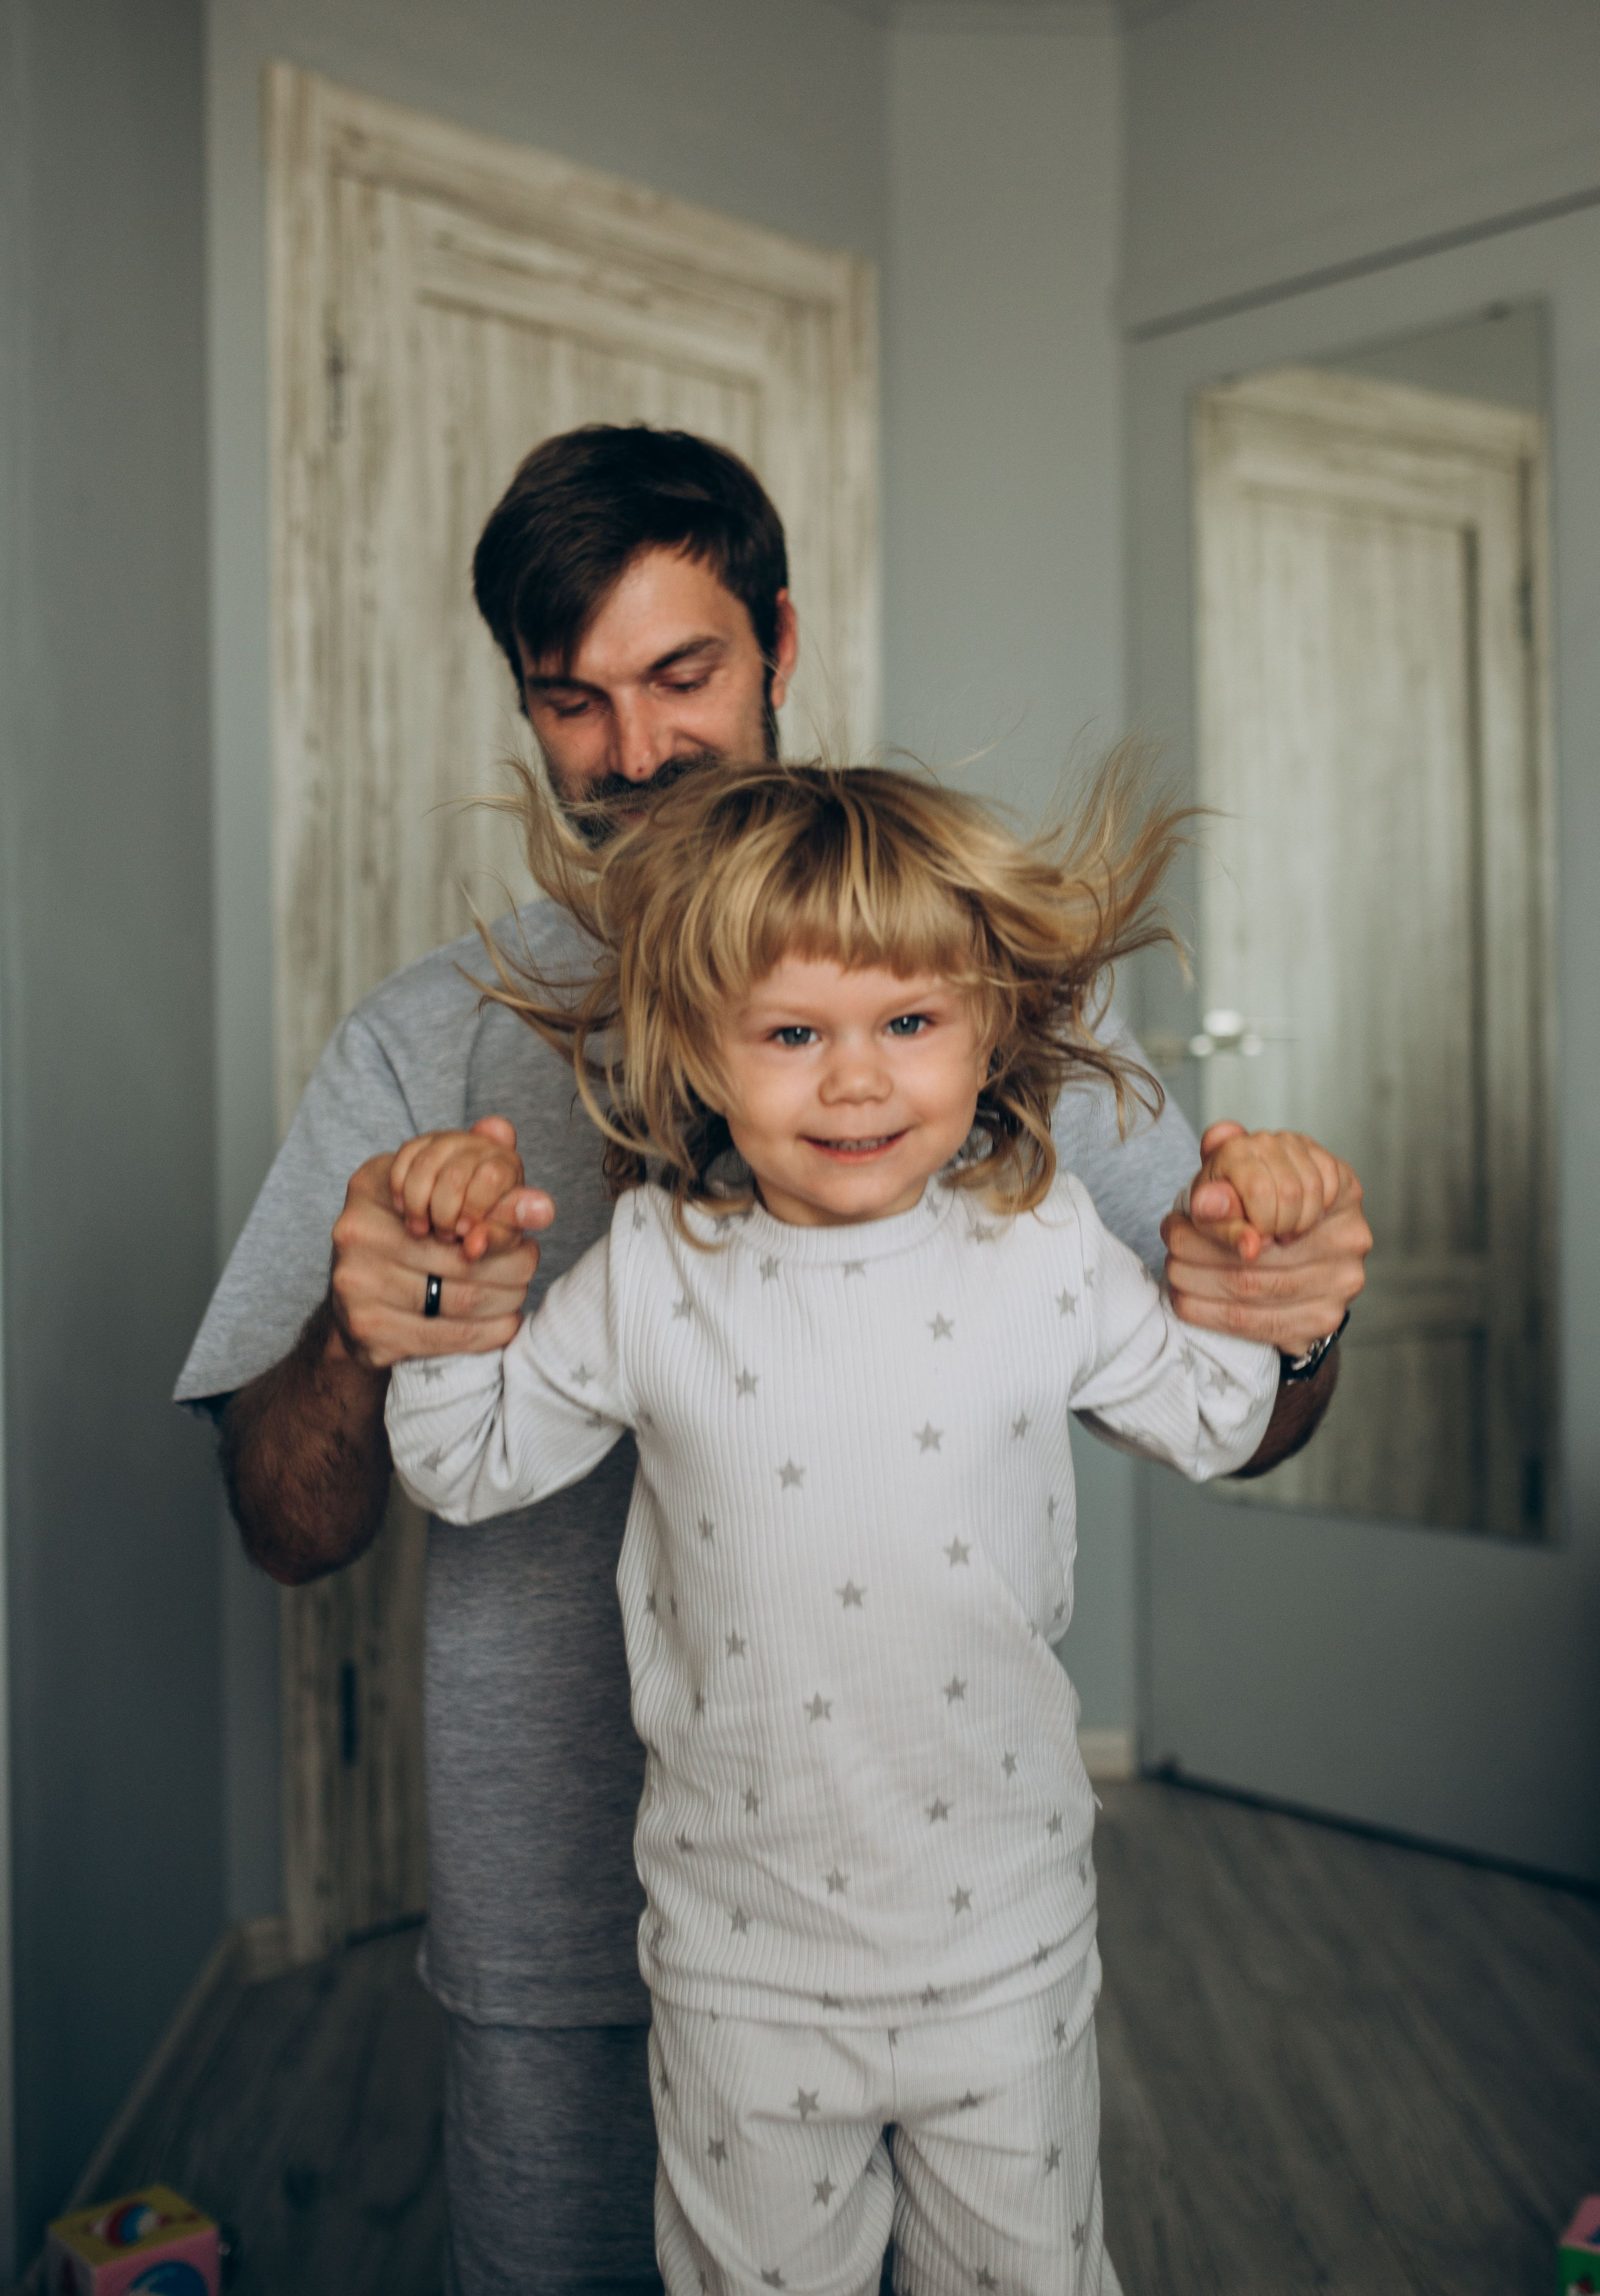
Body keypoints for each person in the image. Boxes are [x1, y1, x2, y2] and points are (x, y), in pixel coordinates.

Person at [175, 426, 1370, 2296]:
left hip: (973, 1936)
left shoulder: (983, 1006)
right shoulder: (438, 1057)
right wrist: (377, 1311)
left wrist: (1293, 1302)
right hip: (585, 1939)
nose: (636, 748)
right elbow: (288, 1519)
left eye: (684, 673)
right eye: (573, 699)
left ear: (781, 642)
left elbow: (1242, 1405)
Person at [382, 756, 1289, 2295]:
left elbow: (1217, 1416)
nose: (856, 1081)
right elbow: (463, 1463)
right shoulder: (657, 1268)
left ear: (986, 1026)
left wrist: (1246, 1244)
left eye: (909, 1025)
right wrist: (440, 1280)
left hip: (1003, 1949)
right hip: (741, 1974)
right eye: (793, 1034)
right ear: (699, 1050)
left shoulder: (1043, 1241)